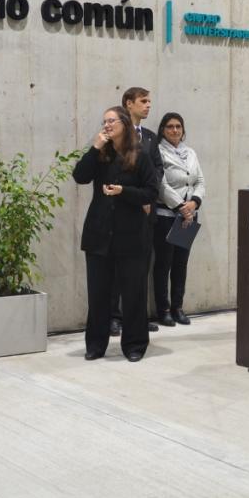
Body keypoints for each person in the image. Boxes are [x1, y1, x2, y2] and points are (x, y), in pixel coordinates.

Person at [73, 105, 159, 362]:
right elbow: (80, 176)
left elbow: (152, 193)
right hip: (99, 235)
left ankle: (134, 345)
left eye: (112, 121)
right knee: (98, 295)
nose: (107, 125)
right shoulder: (100, 155)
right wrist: (94, 147)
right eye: (104, 121)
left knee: (133, 294)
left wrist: (125, 192)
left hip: (131, 236)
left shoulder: (140, 156)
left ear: (124, 124)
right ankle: (95, 345)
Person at [112, 86, 161, 336]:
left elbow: (157, 170)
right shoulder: (116, 134)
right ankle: (114, 316)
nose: (148, 105)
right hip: (120, 211)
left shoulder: (151, 137)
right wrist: (133, 195)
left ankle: (137, 318)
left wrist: (148, 195)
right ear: (128, 104)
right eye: (143, 101)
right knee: (115, 269)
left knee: (141, 268)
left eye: (149, 101)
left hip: (146, 211)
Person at [153, 112, 205, 326]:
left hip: (188, 216)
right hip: (166, 215)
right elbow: (160, 184)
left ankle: (178, 307)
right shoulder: (157, 151)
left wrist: (194, 202)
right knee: (163, 264)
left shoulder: (190, 152)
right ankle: (163, 309)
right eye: (170, 127)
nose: (175, 130)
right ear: (163, 130)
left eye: (178, 126)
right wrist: (181, 206)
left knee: (180, 264)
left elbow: (200, 180)